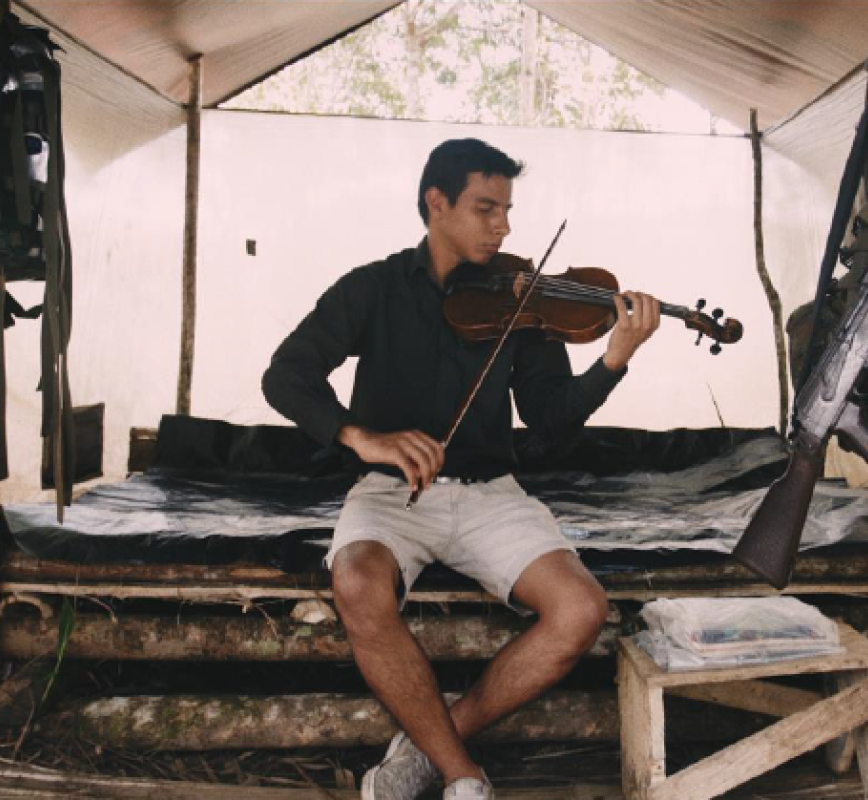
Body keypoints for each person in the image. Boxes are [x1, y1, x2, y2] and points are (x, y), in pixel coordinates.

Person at [262, 138, 660, 800]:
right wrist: (361, 437)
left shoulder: (521, 299)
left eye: (507, 209)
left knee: (581, 609)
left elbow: (551, 419)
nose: (503, 226)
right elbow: (286, 375)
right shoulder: (374, 288)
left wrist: (614, 358)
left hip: (490, 495)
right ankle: (463, 775)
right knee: (357, 581)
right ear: (436, 204)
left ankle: (429, 743)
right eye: (485, 209)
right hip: (391, 494)